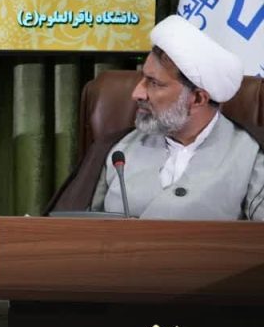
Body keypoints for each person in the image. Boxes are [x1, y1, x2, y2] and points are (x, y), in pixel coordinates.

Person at [48, 15, 264, 220]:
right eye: (143, 78)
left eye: (154, 83)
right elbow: (76, 228)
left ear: (198, 98)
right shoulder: (116, 149)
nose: (137, 93)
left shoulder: (251, 155)